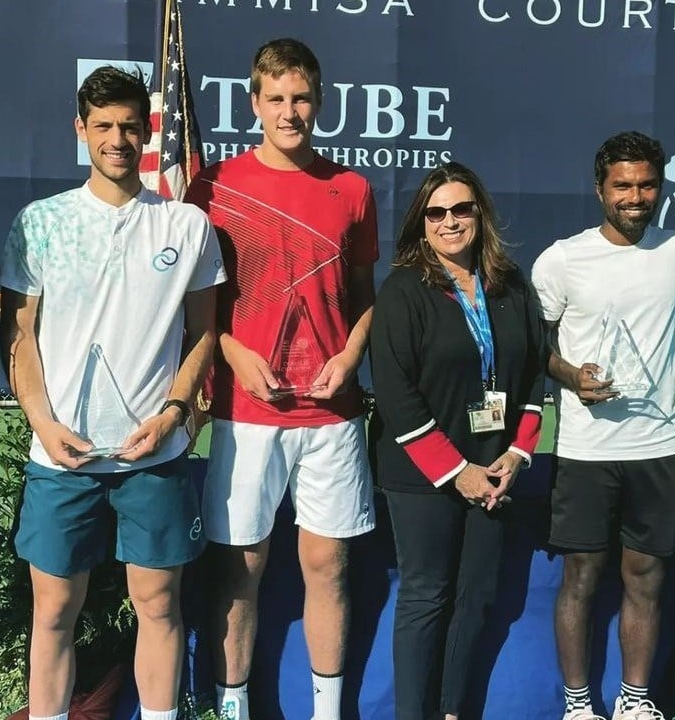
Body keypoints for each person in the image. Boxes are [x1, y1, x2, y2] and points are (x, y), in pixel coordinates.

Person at [0, 66, 224, 720]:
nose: (117, 138)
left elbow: (204, 332)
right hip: (60, 461)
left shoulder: (185, 227)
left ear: (147, 131)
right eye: (103, 126)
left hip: (152, 458)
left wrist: (175, 413)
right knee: (53, 613)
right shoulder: (40, 223)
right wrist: (42, 423)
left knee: (159, 605)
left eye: (129, 125)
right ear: (81, 130)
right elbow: (19, 338)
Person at [183, 38, 378, 720]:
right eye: (276, 99)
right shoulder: (212, 186)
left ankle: (327, 712)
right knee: (241, 569)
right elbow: (194, 304)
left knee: (329, 567)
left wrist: (351, 356)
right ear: (254, 103)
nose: (289, 112)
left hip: (331, 416)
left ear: (319, 102)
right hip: (245, 412)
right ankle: (233, 707)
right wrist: (232, 353)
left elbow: (364, 293)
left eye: (301, 98)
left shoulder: (352, 188)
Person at [369, 162, 546, 719]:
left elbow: (534, 375)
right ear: (421, 222)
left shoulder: (510, 285)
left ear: (480, 214)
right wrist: (457, 472)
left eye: (461, 209)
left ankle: (452, 710)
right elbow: (396, 396)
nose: (450, 221)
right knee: (427, 596)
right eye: (436, 212)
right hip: (422, 476)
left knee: (478, 596)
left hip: (494, 469)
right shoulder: (404, 291)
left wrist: (517, 453)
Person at [531, 131, 675, 720]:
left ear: (660, 187)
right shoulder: (563, 258)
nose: (636, 196)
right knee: (581, 575)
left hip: (659, 446)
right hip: (585, 446)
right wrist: (571, 375)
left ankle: (635, 701)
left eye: (647, 185)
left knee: (644, 577)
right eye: (623, 185)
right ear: (599, 188)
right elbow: (534, 343)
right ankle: (578, 704)